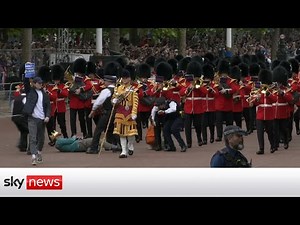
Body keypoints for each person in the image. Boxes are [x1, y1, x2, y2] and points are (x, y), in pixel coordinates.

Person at [22, 76, 51, 165]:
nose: (40, 85)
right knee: (33, 137)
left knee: (41, 139)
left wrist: (47, 116)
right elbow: (26, 84)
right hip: (32, 118)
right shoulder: (30, 92)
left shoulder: (45, 94)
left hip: (42, 119)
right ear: (34, 84)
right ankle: (33, 156)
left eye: (41, 83)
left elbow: (48, 106)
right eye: (38, 83)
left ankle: (38, 152)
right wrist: (26, 74)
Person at [54, 134, 121, 152]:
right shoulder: (59, 141)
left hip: (76, 147)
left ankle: (91, 148)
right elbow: (71, 140)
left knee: (95, 144)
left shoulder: (58, 145)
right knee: (97, 140)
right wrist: (74, 137)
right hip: (78, 144)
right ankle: (114, 147)